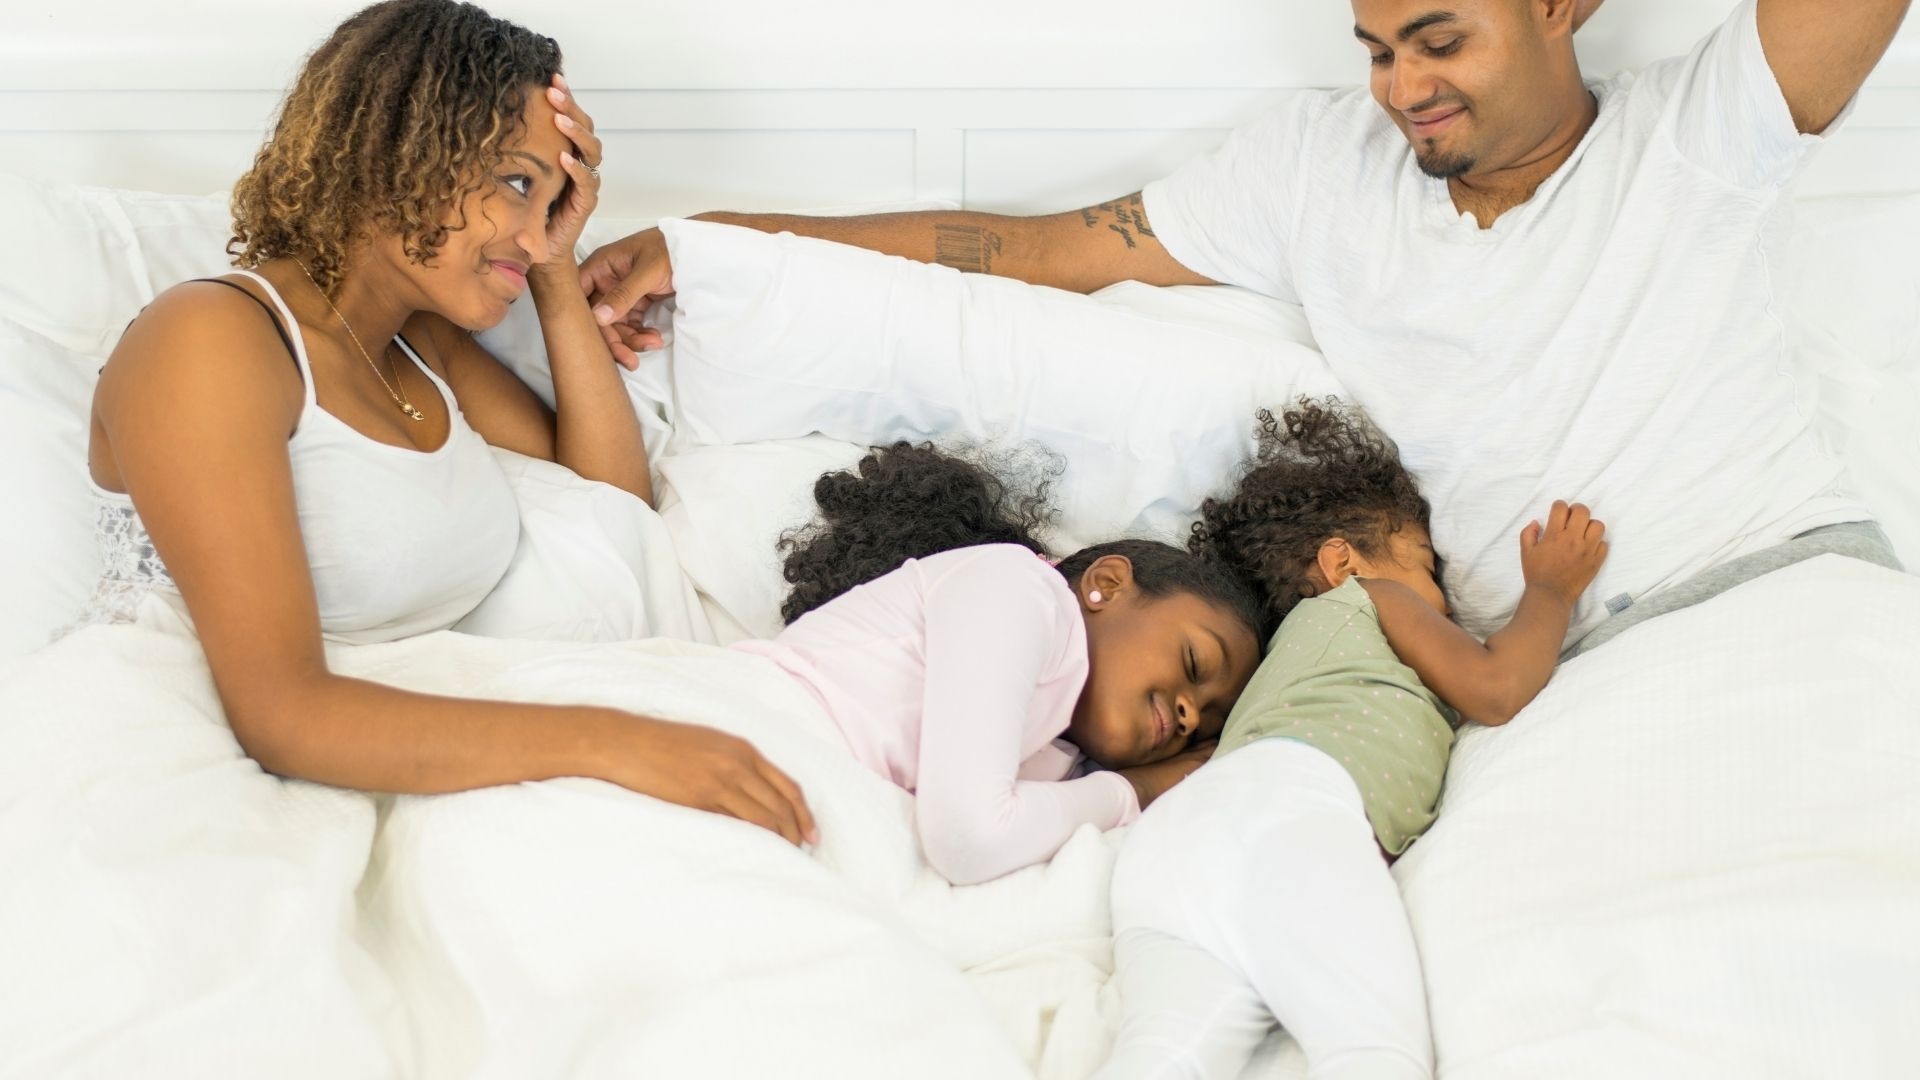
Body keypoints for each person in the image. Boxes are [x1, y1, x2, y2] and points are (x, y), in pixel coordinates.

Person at [579, 0, 1909, 662]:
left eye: (1439, 41)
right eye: (1376, 48)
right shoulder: (1317, 168)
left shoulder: (1702, 131)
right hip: (1534, 678)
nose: (1403, 88)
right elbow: (1032, 251)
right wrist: (724, 239)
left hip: (1778, 597)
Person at [76, 0, 812, 842]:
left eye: (554, 204)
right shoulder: (210, 340)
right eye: (519, 184)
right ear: (402, 147)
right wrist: (616, 742)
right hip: (188, 773)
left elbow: (610, 504)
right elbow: (280, 713)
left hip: (399, 752)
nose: (533, 235)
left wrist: (557, 271)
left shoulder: (415, 345)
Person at [1095, 400, 1606, 1079]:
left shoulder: (1281, 675)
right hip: (1288, 816)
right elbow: (1496, 688)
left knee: (1164, 1058)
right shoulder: (1372, 597)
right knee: (1373, 1053)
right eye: (1427, 569)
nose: (1445, 603)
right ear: (1343, 562)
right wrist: (1550, 591)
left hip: (1169, 850)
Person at [733, 442, 1267, 883]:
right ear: (1106, 584)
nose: (1190, 715)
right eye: (1194, 663)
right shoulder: (1017, 589)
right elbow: (970, 840)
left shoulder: (1065, 761)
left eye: (1206, 724)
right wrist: (1140, 789)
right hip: (745, 734)